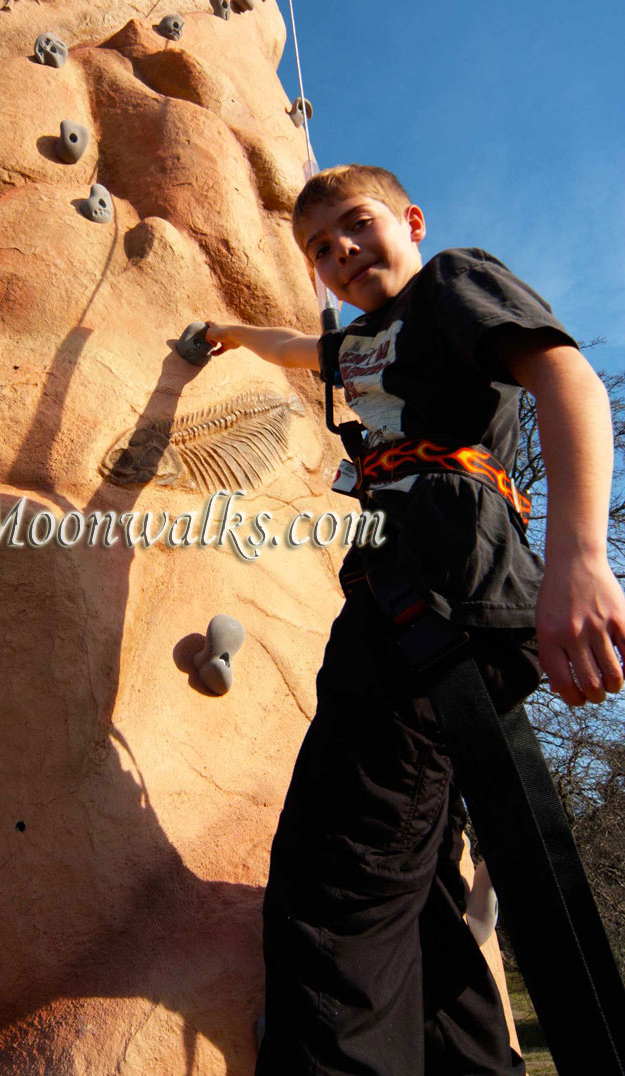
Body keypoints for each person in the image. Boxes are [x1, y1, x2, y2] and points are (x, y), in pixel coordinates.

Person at [204, 163, 625, 1074]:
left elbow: (566, 378)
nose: (342, 251)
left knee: (334, 883)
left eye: (358, 224)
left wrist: (579, 558)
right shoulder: (358, 344)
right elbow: (294, 347)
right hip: (406, 594)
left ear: (412, 221)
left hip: (442, 590)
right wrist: (228, 335)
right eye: (321, 248)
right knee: (417, 888)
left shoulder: (450, 285)